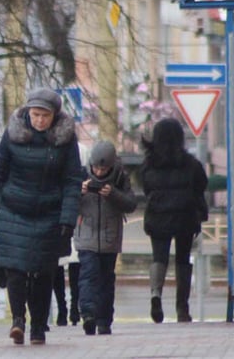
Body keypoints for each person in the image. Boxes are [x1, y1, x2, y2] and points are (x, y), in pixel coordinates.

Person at [0, 88, 83, 346]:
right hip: (13, 212)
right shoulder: (13, 135)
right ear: (28, 113)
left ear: (54, 115)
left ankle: (38, 326)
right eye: (35, 115)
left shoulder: (65, 140)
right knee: (15, 270)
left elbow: (71, 181)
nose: (39, 120)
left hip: (49, 214)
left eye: (44, 116)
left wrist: (68, 219)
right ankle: (18, 321)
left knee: (44, 272)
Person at [139, 118, 208, 324]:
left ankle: (156, 295)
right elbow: (200, 186)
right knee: (182, 259)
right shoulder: (191, 164)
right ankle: (182, 308)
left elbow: (146, 188)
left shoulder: (149, 165)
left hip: (158, 216)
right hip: (184, 217)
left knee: (159, 258)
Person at [75, 141, 138, 335]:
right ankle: (87, 314)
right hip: (87, 237)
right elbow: (65, 201)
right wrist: (80, 191)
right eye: (96, 168)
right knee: (88, 276)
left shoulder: (120, 177)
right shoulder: (81, 174)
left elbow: (131, 204)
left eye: (103, 169)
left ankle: (104, 320)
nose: (99, 173)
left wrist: (113, 194)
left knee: (106, 280)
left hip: (110, 239)